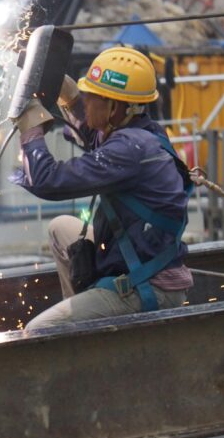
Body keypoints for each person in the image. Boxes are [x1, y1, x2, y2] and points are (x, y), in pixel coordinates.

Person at [12, 46, 193, 330]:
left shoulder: (129, 149)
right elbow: (92, 133)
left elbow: (47, 180)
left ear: (115, 107)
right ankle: (85, 318)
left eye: (92, 97)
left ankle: (80, 330)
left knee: (39, 330)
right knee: (62, 228)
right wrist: (66, 93)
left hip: (147, 284)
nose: (85, 100)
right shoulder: (142, 133)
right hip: (138, 256)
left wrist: (31, 132)